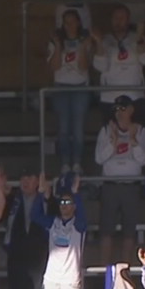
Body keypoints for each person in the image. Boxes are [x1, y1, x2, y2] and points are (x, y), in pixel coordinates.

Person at [94, 96, 145, 264]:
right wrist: (113, 141)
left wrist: (133, 141)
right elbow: (99, 158)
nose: (119, 113)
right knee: (106, 231)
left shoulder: (140, 131)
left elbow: (144, 160)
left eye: (123, 109)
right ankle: (106, 275)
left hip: (131, 186)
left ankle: (124, 273)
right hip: (110, 186)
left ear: (131, 110)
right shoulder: (105, 130)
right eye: (117, 109)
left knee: (129, 233)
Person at [0, 169, 48, 289]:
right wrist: (2, 194)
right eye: (23, 177)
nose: (25, 181)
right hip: (17, 259)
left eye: (30, 177)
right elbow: (0, 218)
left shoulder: (46, 200)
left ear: (38, 181)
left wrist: (47, 196)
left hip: (40, 258)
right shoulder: (13, 200)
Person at [47, 10, 95, 175]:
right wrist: (58, 45)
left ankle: (77, 163)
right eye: (66, 22)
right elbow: (54, 67)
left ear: (79, 23)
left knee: (78, 129)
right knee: (63, 129)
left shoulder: (86, 41)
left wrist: (82, 47)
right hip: (60, 87)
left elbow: (83, 67)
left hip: (80, 87)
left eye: (72, 22)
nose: (69, 26)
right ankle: (65, 163)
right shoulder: (55, 42)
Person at [93, 4, 145, 126]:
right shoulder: (104, 39)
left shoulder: (137, 37)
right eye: (115, 18)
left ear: (128, 20)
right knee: (112, 138)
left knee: (137, 137)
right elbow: (100, 66)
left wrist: (140, 36)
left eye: (122, 18)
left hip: (135, 97)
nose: (118, 21)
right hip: (110, 98)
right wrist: (98, 42)